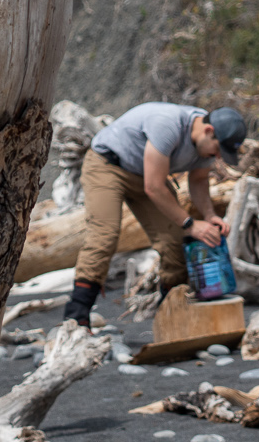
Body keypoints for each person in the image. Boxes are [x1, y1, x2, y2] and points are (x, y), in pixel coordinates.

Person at [62, 102, 247, 325]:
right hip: (107, 165)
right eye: (218, 150)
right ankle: (76, 318)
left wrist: (209, 216)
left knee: (174, 242)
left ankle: (170, 317)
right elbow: (154, 187)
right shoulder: (168, 124)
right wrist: (191, 224)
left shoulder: (205, 145)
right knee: (104, 236)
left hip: (145, 175)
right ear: (209, 131)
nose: (217, 156)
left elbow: (198, 180)